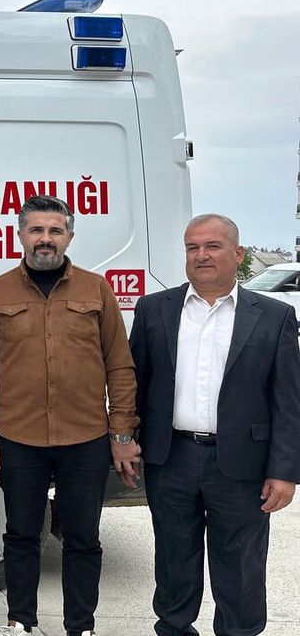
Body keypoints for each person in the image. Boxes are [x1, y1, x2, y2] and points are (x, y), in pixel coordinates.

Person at [0, 195, 141, 636]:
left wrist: (122, 434)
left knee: (82, 539)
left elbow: (120, 366)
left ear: (69, 236)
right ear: (20, 235)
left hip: (85, 438)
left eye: (55, 231)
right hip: (18, 437)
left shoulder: (97, 290)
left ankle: (80, 626)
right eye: (36, 230)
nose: (45, 239)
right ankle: (20, 622)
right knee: (21, 536)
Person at [129, 214, 300, 636]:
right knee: (173, 563)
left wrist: (284, 471)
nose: (201, 255)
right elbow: (134, 385)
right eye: (192, 247)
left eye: (212, 246)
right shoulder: (154, 309)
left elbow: (288, 401)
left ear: (238, 254)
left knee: (240, 569)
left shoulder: (274, 316)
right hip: (171, 459)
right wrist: (124, 440)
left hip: (243, 465)